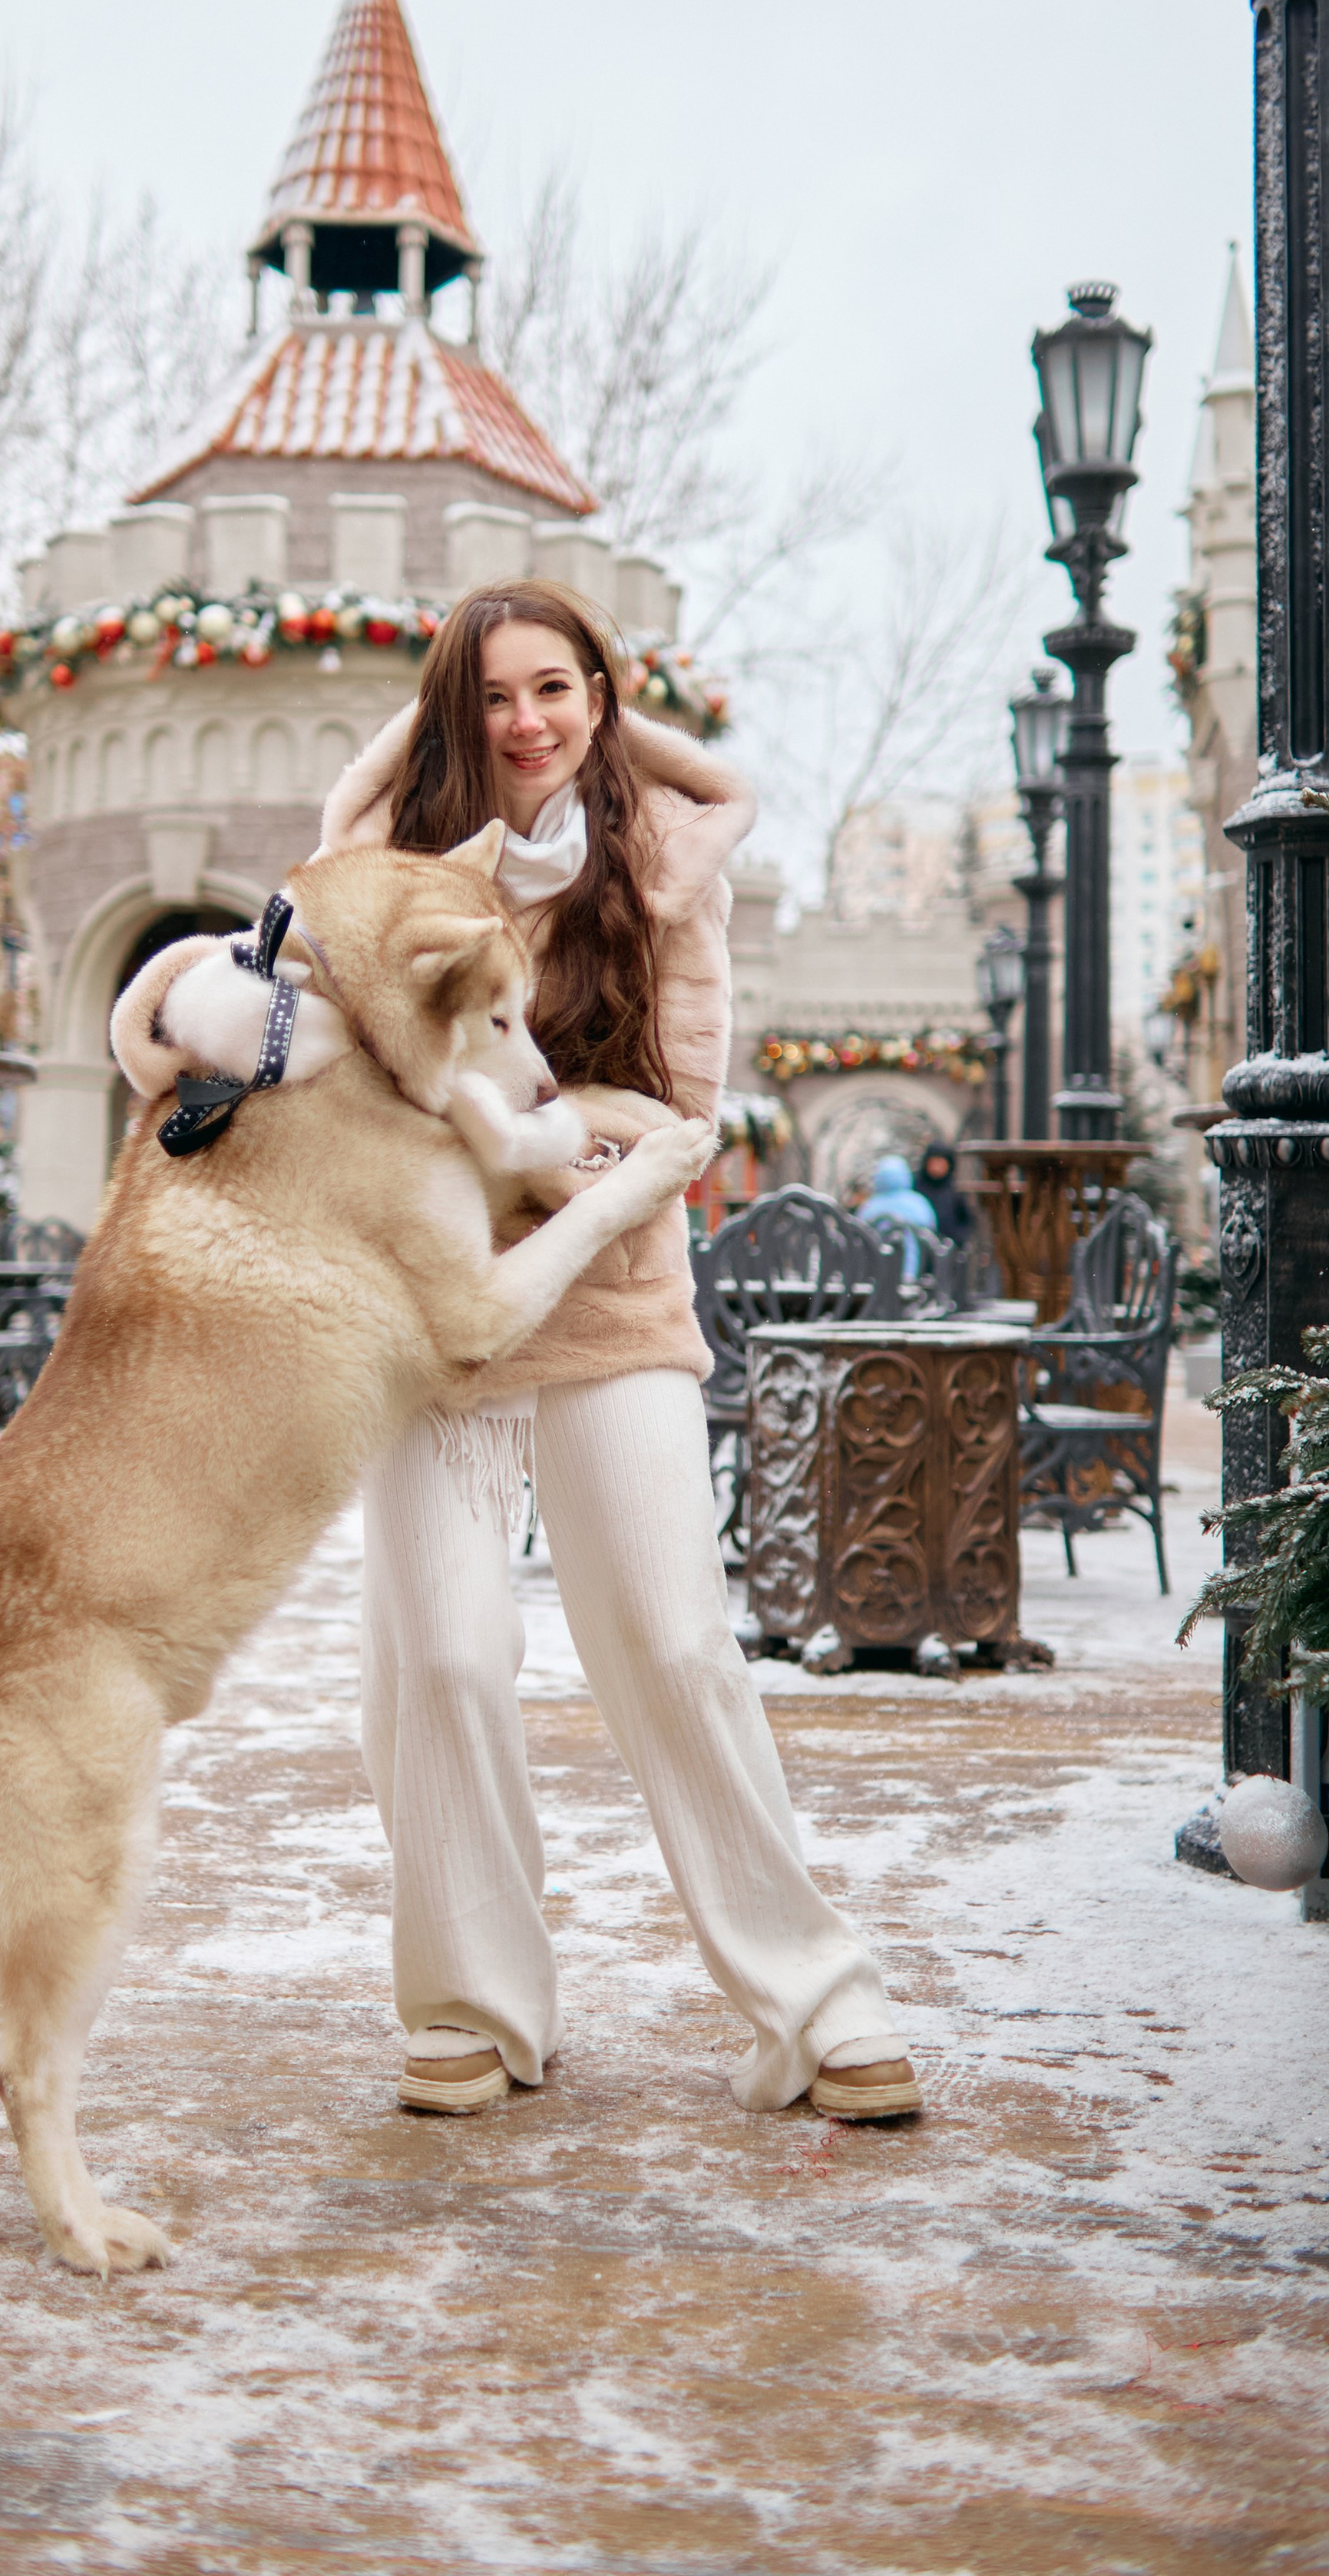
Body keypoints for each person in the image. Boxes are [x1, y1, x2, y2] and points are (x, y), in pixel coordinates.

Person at [317, 581, 917, 2124]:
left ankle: (814, 2001)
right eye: (488, 700)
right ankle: (469, 2007)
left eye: (554, 691)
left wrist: (529, 1192)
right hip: (434, 1317)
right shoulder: (387, 881)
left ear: (599, 699)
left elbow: (673, 1117)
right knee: (440, 1654)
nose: (523, 725)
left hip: (608, 1295)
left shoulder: (660, 873)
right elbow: (352, 1098)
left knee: (669, 1643)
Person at [855, 1154, 940, 1278]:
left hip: (875, 1274)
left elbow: (860, 1234)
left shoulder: (869, 1207)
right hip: (914, 1271)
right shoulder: (918, 1203)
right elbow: (930, 1232)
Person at [915, 1142, 975, 1253]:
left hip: (948, 1251)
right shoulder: (916, 1188)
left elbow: (965, 1221)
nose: (937, 1167)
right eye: (934, 1162)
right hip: (921, 1249)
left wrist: (957, 1240)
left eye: (941, 1162)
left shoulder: (955, 1192)